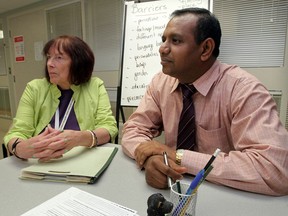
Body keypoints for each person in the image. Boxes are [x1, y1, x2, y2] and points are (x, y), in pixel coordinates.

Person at [121, 8, 288, 196]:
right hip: (174, 191)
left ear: (206, 49)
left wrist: (178, 157)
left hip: (227, 195)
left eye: (175, 41)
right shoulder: (161, 82)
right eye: (163, 40)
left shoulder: (244, 89)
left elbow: (275, 170)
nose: (162, 48)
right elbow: (133, 129)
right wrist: (151, 157)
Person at [4, 35, 118, 162]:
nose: (49, 64)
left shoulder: (95, 86)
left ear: (78, 62)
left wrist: (80, 138)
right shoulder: (34, 88)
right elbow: (17, 131)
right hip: (40, 163)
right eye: (48, 57)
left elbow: (108, 127)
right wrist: (19, 148)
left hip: (81, 161)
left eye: (58, 57)